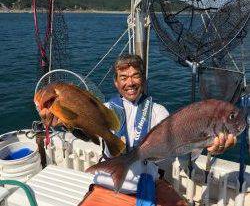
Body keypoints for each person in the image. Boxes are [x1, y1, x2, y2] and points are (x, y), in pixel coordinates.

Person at [93, 54, 237, 193]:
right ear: (116, 82)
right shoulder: (104, 110)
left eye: (135, 76)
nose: (130, 83)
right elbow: (84, 132)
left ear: (143, 79)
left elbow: (180, 150)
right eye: (123, 77)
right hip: (106, 184)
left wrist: (205, 146)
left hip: (145, 187)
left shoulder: (158, 112)